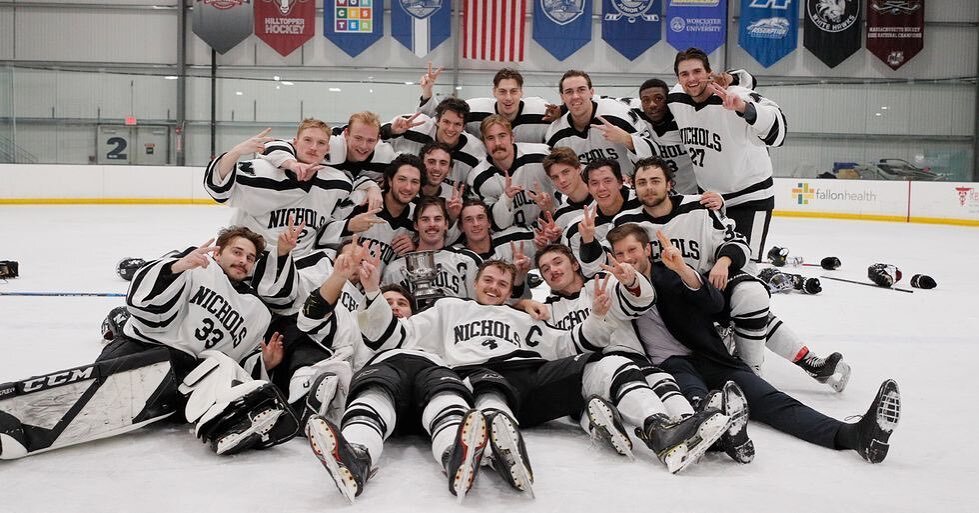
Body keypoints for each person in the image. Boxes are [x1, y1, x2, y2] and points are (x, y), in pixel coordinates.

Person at [357, 258, 731, 481]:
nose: (494, 286)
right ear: (475, 282)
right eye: (488, 280)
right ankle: (493, 448)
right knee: (489, 387)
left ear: (510, 290)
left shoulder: (522, 318)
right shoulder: (446, 310)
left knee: (608, 364)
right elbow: (391, 336)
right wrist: (373, 293)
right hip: (480, 378)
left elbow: (570, 345)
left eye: (502, 283)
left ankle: (660, 430)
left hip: (530, 376)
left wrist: (598, 319)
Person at [606, 224, 901, 464]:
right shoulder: (614, 289)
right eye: (620, 253)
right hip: (670, 366)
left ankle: (853, 435)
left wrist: (683, 270)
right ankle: (723, 435)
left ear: (647, 249)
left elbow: (713, 303)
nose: (627, 258)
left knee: (773, 401)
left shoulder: (670, 272)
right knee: (698, 401)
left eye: (632, 250)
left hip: (710, 356)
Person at [0, 227, 299, 459]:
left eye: (250, 258)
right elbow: (142, 305)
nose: (243, 261)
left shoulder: (258, 312)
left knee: (219, 365)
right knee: (102, 385)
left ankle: (231, 427)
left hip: (184, 378)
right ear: (218, 252)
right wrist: (175, 268)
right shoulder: (197, 265)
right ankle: (22, 419)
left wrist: (264, 363)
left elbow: (236, 361)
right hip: (143, 348)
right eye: (237, 252)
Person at [612, 158, 850, 390]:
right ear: (634, 186)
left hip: (707, 290)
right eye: (642, 182)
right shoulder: (626, 221)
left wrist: (723, 261)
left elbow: (738, 242)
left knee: (752, 295)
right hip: (668, 306)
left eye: (655, 180)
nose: (649, 187)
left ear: (669, 184)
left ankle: (754, 373)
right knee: (748, 317)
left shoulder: (699, 206)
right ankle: (800, 363)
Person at [300, 252, 485, 502]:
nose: (395, 307)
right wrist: (338, 278)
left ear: (413, 310)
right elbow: (310, 322)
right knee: (376, 389)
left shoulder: (430, 326)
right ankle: (355, 455)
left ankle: (456, 454)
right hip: (384, 383)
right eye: (388, 302)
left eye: (401, 303)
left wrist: (522, 304)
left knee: (445, 392)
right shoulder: (359, 324)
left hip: (429, 379)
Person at [668, 47, 786, 263]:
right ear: (678, 78)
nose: (691, 79)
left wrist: (744, 109)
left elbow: (778, 127)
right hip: (710, 200)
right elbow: (747, 78)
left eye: (697, 72)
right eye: (684, 74)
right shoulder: (676, 97)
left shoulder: (735, 96)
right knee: (708, 263)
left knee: (744, 267)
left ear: (709, 73)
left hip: (750, 198)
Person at [204, 121, 353, 256]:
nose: (313, 147)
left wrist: (370, 186)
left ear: (327, 149)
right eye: (307, 140)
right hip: (252, 258)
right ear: (294, 143)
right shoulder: (263, 171)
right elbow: (217, 188)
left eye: (321, 143)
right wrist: (236, 151)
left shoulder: (338, 183)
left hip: (297, 264)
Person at [317, 154, 423, 271]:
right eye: (402, 179)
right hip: (336, 277)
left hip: (372, 287)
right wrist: (349, 225)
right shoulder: (362, 199)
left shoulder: (416, 217)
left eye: (415, 182)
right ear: (390, 180)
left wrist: (415, 247)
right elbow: (320, 234)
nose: (408, 187)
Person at [545, 70, 645, 177]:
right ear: (562, 97)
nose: (575, 96)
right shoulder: (555, 133)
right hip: (587, 191)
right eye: (569, 92)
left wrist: (627, 140)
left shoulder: (619, 115)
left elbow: (652, 153)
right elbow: (556, 175)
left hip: (629, 189)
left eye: (581, 90)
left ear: (591, 92)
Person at [417, 65, 553, 143]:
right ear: (494, 92)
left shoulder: (541, 111)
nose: (508, 97)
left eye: (513, 91)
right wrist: (427, 90)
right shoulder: (474, 109)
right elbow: (439, 119)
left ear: (522, 92)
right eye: (502, 91)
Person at [382, 196, 482, 301]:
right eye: (425, 219)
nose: (432, 224)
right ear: (416, 225)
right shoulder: (395, 270)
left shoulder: (467, 260)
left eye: (437, 219)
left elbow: (479, 306)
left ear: (446, 224)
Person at [468, 115, 554, 230]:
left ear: (512, 137)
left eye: (502, 136)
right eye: (490, 138)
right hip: (511, 239)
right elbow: (497, 225)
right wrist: (506, 199)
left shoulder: (542, 155)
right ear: (484, 142)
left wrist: (550, 209)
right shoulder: (478, 178)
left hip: (552, 227)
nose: (497, 143)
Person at [562, 158, 640, 278]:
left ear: (620, 182)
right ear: (588, 187)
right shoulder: (576, 229)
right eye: (594, 183)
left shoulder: (643, 202)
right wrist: (588, 241)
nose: (601, 188)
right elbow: (589, 274)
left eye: (607, 181)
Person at [384, 97, 487, 188]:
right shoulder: (415, 126)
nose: (451, 129)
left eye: (457, 124)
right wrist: (391, 131)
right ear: (437, 120)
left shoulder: (475, 150)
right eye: (446, 122)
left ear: (464, 127)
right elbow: (374, 136)